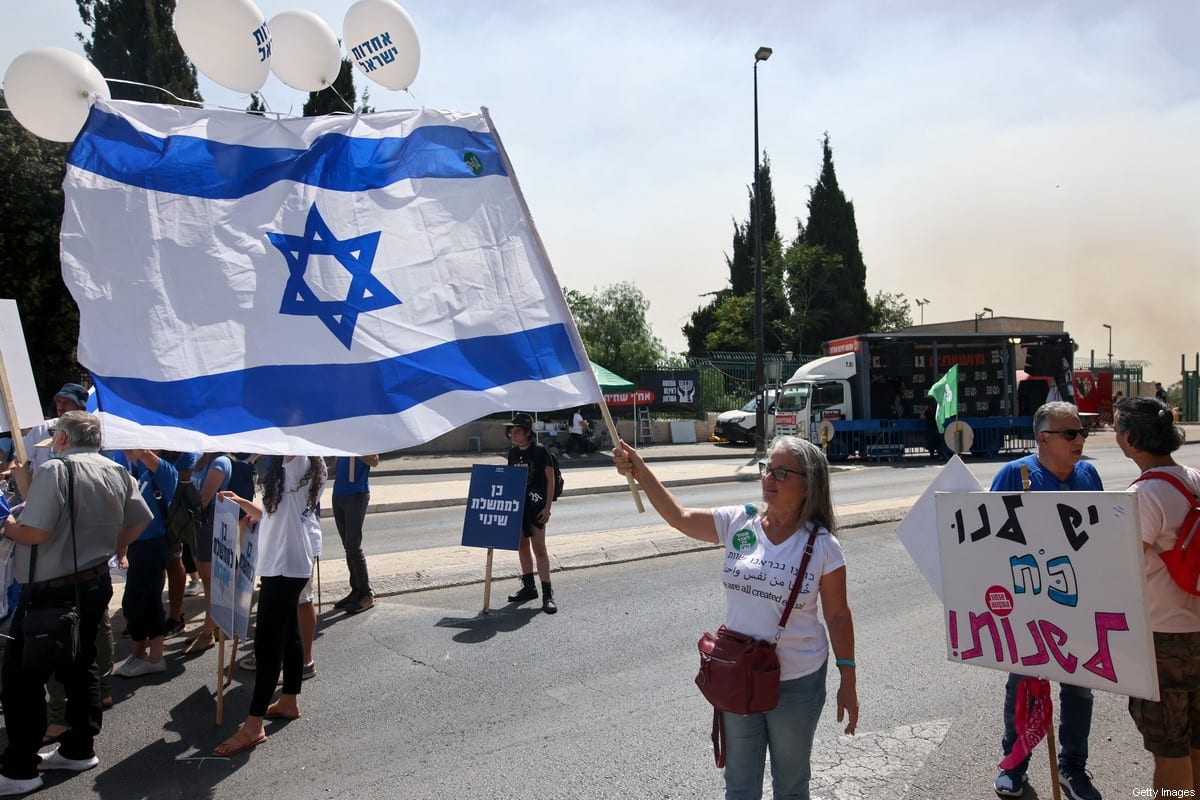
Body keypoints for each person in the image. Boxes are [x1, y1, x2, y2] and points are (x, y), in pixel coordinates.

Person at [613, 435, 857, 799]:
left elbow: (837, 616)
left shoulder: (823, 545)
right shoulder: (740, 522)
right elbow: (680, 518)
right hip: (739, 674)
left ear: (809, 485)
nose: (769, 478)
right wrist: (640, 470)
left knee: (791, 784)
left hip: (797, 681)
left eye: (782, 473)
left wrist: (848, 680)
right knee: (740, 784)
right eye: (767, 469)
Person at [0, 411, 151, 795]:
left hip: (52, 588)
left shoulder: (56, 469)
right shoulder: (116, 470)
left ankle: (20, 769)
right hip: (93, 581)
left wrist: (8, 527)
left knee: (22, 678)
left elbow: (35, 532)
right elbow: (140, 519)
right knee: (80, 665)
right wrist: (113, 547)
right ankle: (79, 748)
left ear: (64, 439)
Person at [990, 401, 1103, 800]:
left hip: (1080, 604)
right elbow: (989, 541)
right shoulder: (1014, 475)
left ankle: (1073, 768)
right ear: (1043, 439)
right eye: (1070, 433)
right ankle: (1013, 765)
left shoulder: (1089, 474)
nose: (1080, 439)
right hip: (1030, 605)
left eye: (1082, 432)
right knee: (1023, 686)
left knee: (1080, 688)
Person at [212, 455, 325, 757]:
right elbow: (272, 515)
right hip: (281, 563)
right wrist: (241, 502)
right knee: (288, 633)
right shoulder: (289, 470)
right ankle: (289, 701)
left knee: (267, 642)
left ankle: (253, 726)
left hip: (287, 565)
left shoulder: (300, 462)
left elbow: (289, 446)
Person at [1114, 396, 1200, 792]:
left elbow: (1123, 566)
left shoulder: (1144, 494)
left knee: (1170, 748)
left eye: (1118, 429)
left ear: (1132, 438)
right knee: (1196, 741)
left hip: (1165, 640)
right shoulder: (1194, 478)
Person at [113, 449, 178, 678]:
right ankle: (140, 654)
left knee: (143, 601)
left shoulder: (166, 471)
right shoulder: (143, 473)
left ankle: (154, 657)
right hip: (139, 545)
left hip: (153, 544)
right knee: (140, 601)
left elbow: (142, 451)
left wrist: (134, 437)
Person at [503, 413, 557, 614]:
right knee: (521, 545)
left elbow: (550, 480)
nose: (513, 435)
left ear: (527, 432)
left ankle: (547, 594)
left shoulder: (541, 451)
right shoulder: (512, 453)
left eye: (517, 431)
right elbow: (510, 480)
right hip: (519, 506)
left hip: (537, 507)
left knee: (539, 549)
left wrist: (547, 508)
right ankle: (529, 587)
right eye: (511, 432)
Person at [182, 452, 233, 653]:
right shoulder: (203, 460)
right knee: (206, 580)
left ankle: (208, 632)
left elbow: (203, 499)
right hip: (197, 524)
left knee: (210, 581)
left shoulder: (220, 461)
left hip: (209, 523)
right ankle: (212, 626)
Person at [331, 455, 380, 614]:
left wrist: (355, 449)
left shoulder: (362, 441)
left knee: (353, 546)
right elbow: (335, 468)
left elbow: (374, 461)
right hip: (338, 495)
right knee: (348, 546)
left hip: (357, 495)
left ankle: (366, 594)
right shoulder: (342, 442)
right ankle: (356, 590)